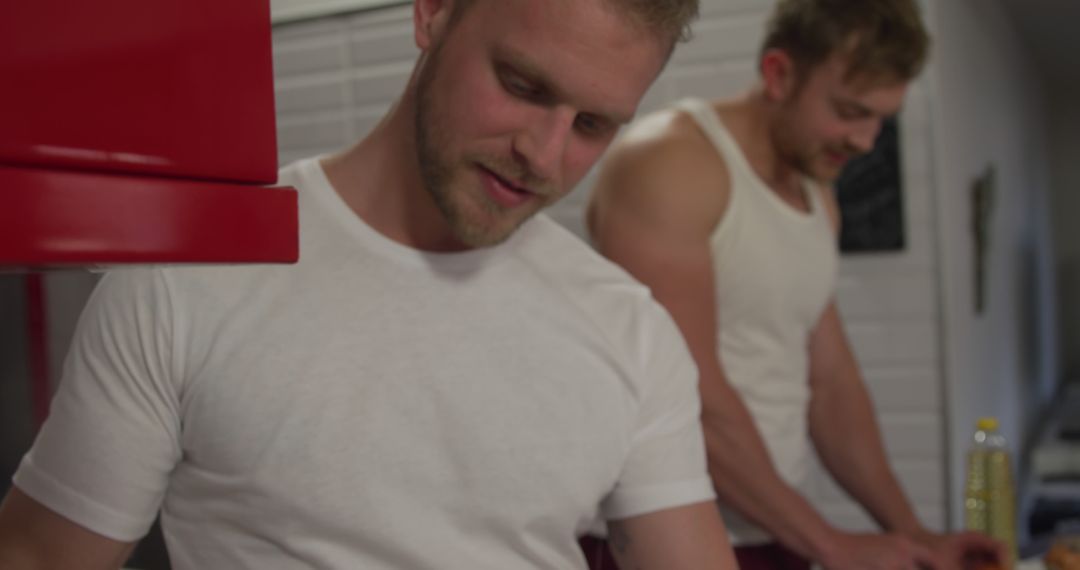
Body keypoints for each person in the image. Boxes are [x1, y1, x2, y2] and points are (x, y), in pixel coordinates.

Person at [0, 1, 740, 568]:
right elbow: (41, 557)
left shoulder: (630, 331)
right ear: (434, 10)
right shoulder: (189, 280)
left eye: (591, 124)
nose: (543, 157)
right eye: (521, 84)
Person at [586, 1, 1005, 569]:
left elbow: (832, 385)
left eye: (880, 118)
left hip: (771, 528)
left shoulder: (816, 196)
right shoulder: (671, 163)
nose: (864, 141)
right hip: (665, 538)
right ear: (780, 74)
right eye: (850, 111)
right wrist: (833, 543)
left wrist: (913, 535)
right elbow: (687, 397)